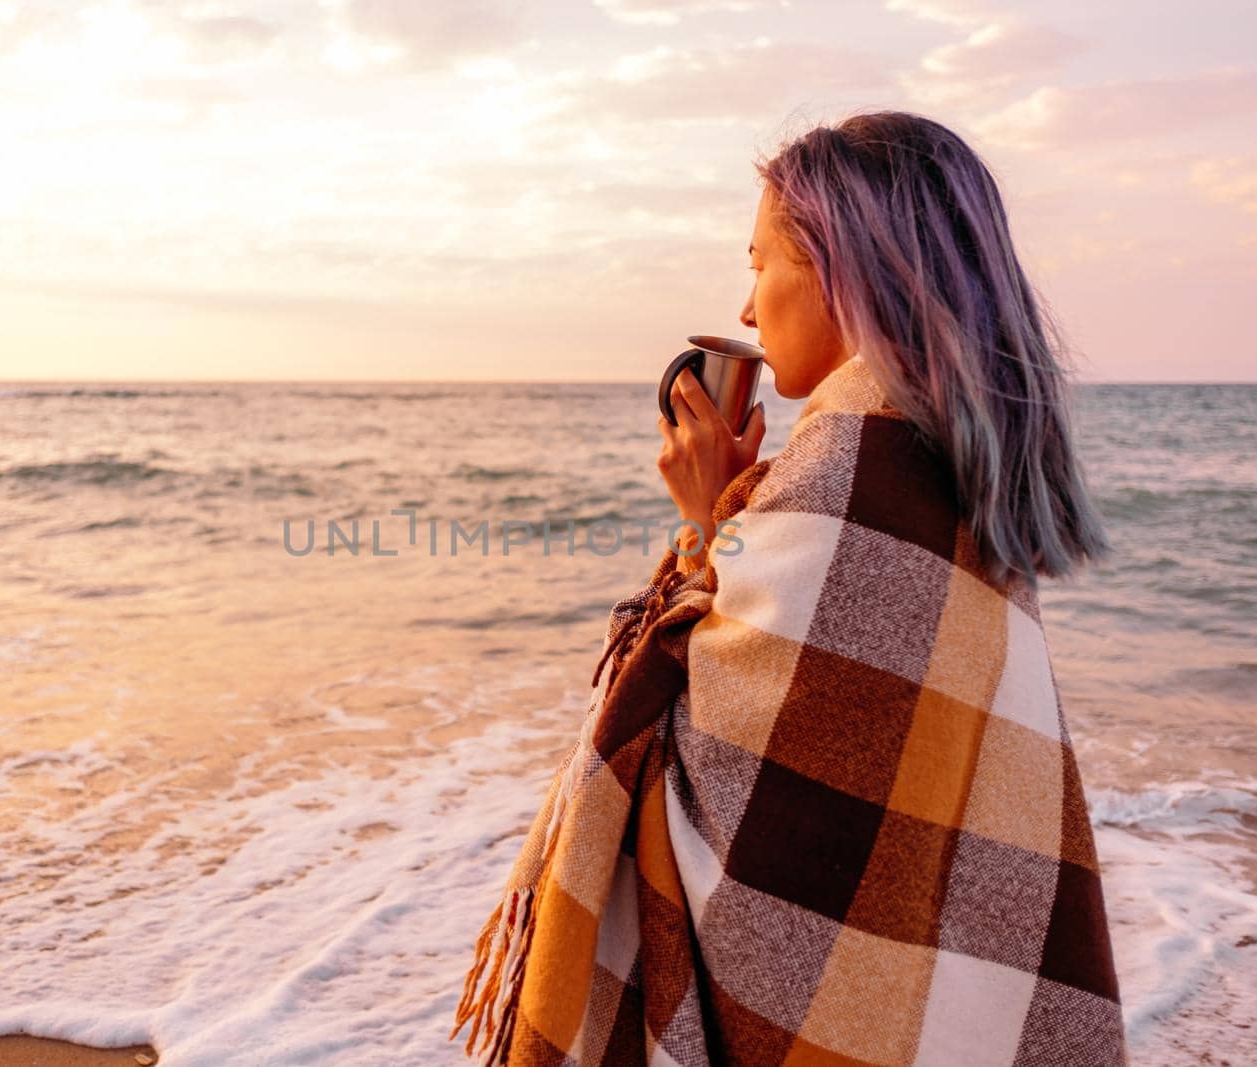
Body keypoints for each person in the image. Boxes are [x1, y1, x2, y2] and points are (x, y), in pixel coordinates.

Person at [451, 110, 1125, 1066]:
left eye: (760, 260)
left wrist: (705, 519)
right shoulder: (952, 461)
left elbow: (683, 762)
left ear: (839, 264)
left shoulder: (847, 470)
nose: (747, 308)